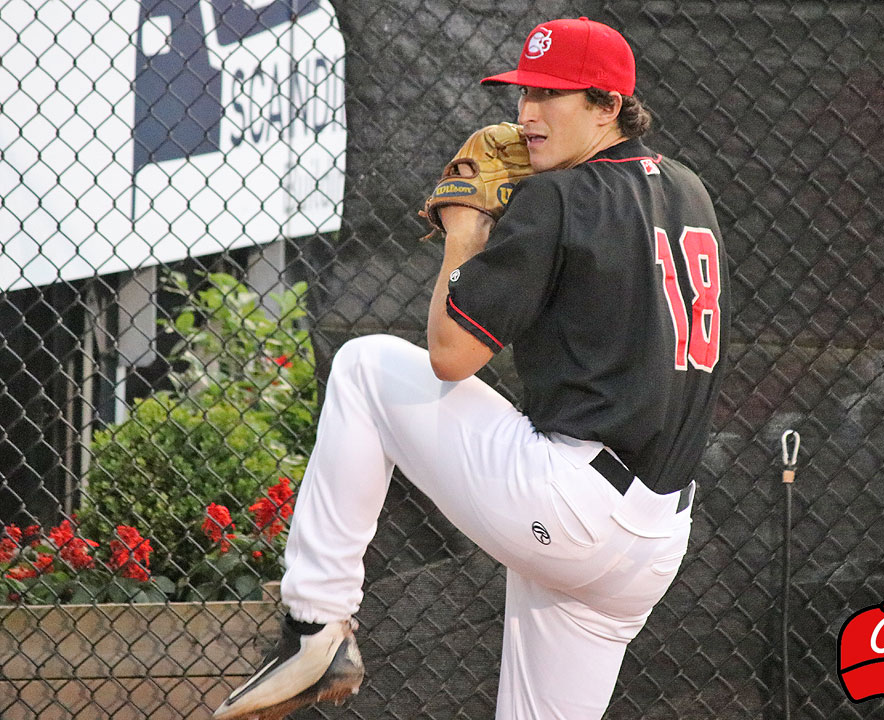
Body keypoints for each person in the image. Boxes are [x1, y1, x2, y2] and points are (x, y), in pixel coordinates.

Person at [213, 16, 729, 720]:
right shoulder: (689, 189)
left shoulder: (556, 197)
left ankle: (314, 624)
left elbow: (452, 357)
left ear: (609, 105)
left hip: (572, 504)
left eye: (554, 95)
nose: (528, 113)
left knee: (366, 367)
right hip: (652, 543)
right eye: (523, 93)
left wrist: (464, 233)